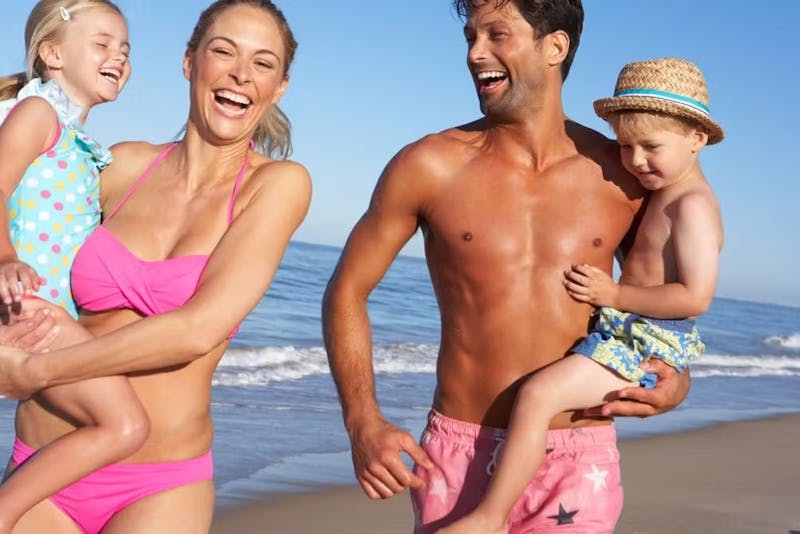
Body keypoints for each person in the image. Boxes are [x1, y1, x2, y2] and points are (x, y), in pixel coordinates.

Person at [322, 1, 691, 532]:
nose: (475, 53)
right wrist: (362, 420)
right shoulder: (428, 165)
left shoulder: (623, 177)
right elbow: (347, 291)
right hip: (458, 452)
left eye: (497, 34)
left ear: (555, 47)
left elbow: (660, 304)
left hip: (575, 456)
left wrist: (677, 379)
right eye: (470, 36)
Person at [0, 1, 310, 532]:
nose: (240, 73)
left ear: (278, 87)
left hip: (163, 484)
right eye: (223, 51)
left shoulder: (277, 186)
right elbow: (25, 219)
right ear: (189, 62)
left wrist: (35, 371)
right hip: (45, 464)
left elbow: (198, 329)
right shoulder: (115, 165)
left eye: (262, 63)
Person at [439, 57, 723, 533]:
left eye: (651, 147)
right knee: (540, 398)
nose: (635, 161)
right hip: (629, 334)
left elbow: (695, 298)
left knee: (536, 396)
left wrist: (613, 293)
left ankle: (489, 518)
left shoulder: (692, 207)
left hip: (644, 341)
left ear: (696, 138)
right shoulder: (663, 195)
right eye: (626, 146)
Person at [0, 2, 149, 532]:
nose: (119, 57)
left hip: (45, 311)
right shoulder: (36, 114)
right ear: (52, 53)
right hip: (24, 307)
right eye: (103, 43)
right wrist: (4, 258)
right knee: (126, 425)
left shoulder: (80, 142)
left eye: (126, 49)